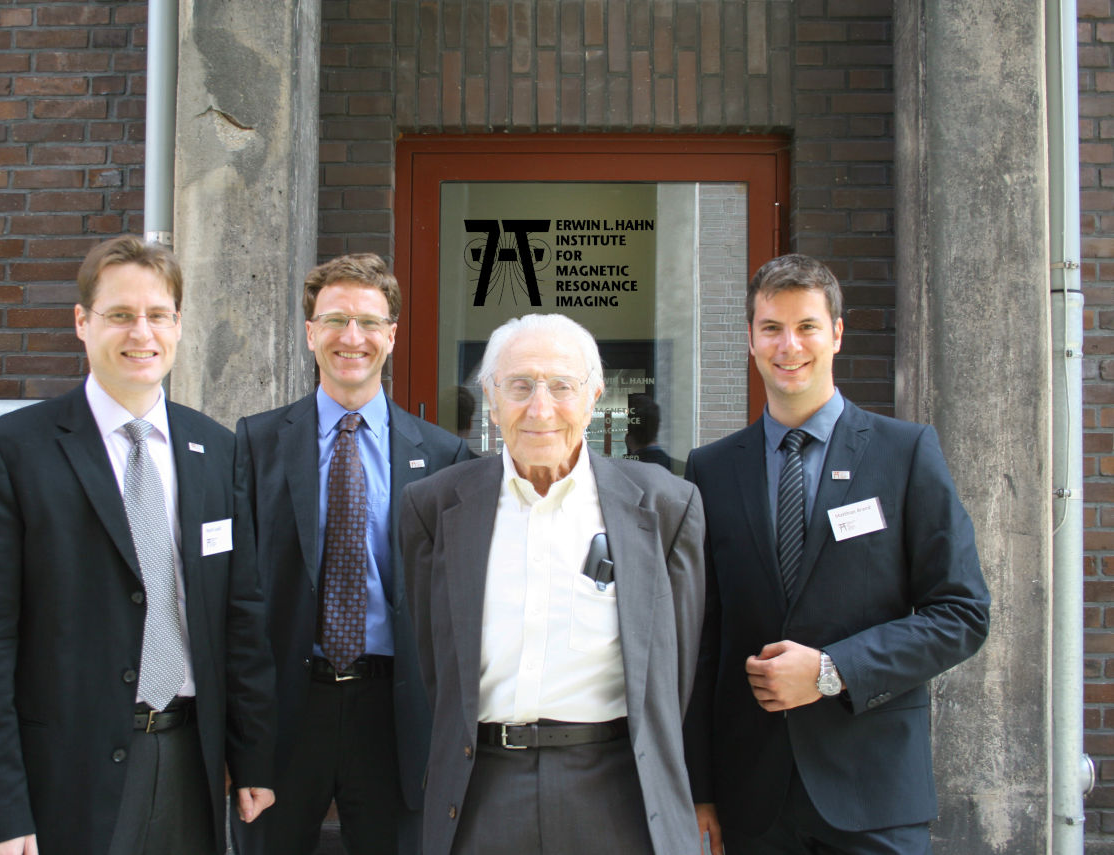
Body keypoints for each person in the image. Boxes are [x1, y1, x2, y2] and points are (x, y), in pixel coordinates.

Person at [0, 235, 276, 855]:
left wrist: (251, 756)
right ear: (82, 322)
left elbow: (241, 615)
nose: (140, 332)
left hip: (186, 765)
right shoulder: (11, 453)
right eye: (120, 314)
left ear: (177, 325)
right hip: (62, 776)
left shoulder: (217, 450)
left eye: (157, 315)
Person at [684, 253, 991, 855]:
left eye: (807, 327)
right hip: (752, 802)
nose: (788, 345)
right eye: (771, 328)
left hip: (871, 791)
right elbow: (701, 642)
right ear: (750, 338)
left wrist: (832, 672)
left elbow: (961, 613)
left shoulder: (905, 454)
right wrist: (699, 790)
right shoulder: (711, 469)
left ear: (837, 334)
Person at [401, 313, 707, 855]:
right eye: (519, 386)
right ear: (492, 399)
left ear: (593, 398)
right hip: (481, 793)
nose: (540, 408)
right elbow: (436, 663)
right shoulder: (435, 507)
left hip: (619, 792)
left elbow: (675, 669)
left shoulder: (664, 506)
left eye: (561, 386)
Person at [232, 253, 473, 855]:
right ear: (310, 332)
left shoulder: (444, 457)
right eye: (335, 319)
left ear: (391, 335)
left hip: (393, 713)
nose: (351, 337)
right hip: (289, 710)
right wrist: (241, 737)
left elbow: (454, 605)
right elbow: (237, 596)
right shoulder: (256, 444)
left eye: (368, 322)